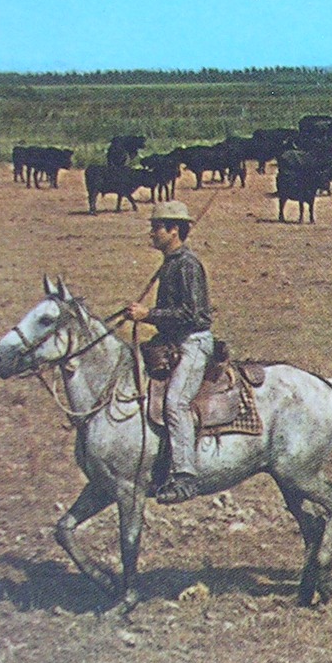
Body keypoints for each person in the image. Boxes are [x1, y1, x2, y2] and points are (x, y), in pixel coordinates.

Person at [125, 201, 213, 503]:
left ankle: (186, 476)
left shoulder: (187, 264)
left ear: (173, 230)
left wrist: (148, 314)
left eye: (156, 228)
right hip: (171, 341)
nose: (151, 233)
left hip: (192, 343)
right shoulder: (171, 261)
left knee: (175, 403)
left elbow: (195, 315)